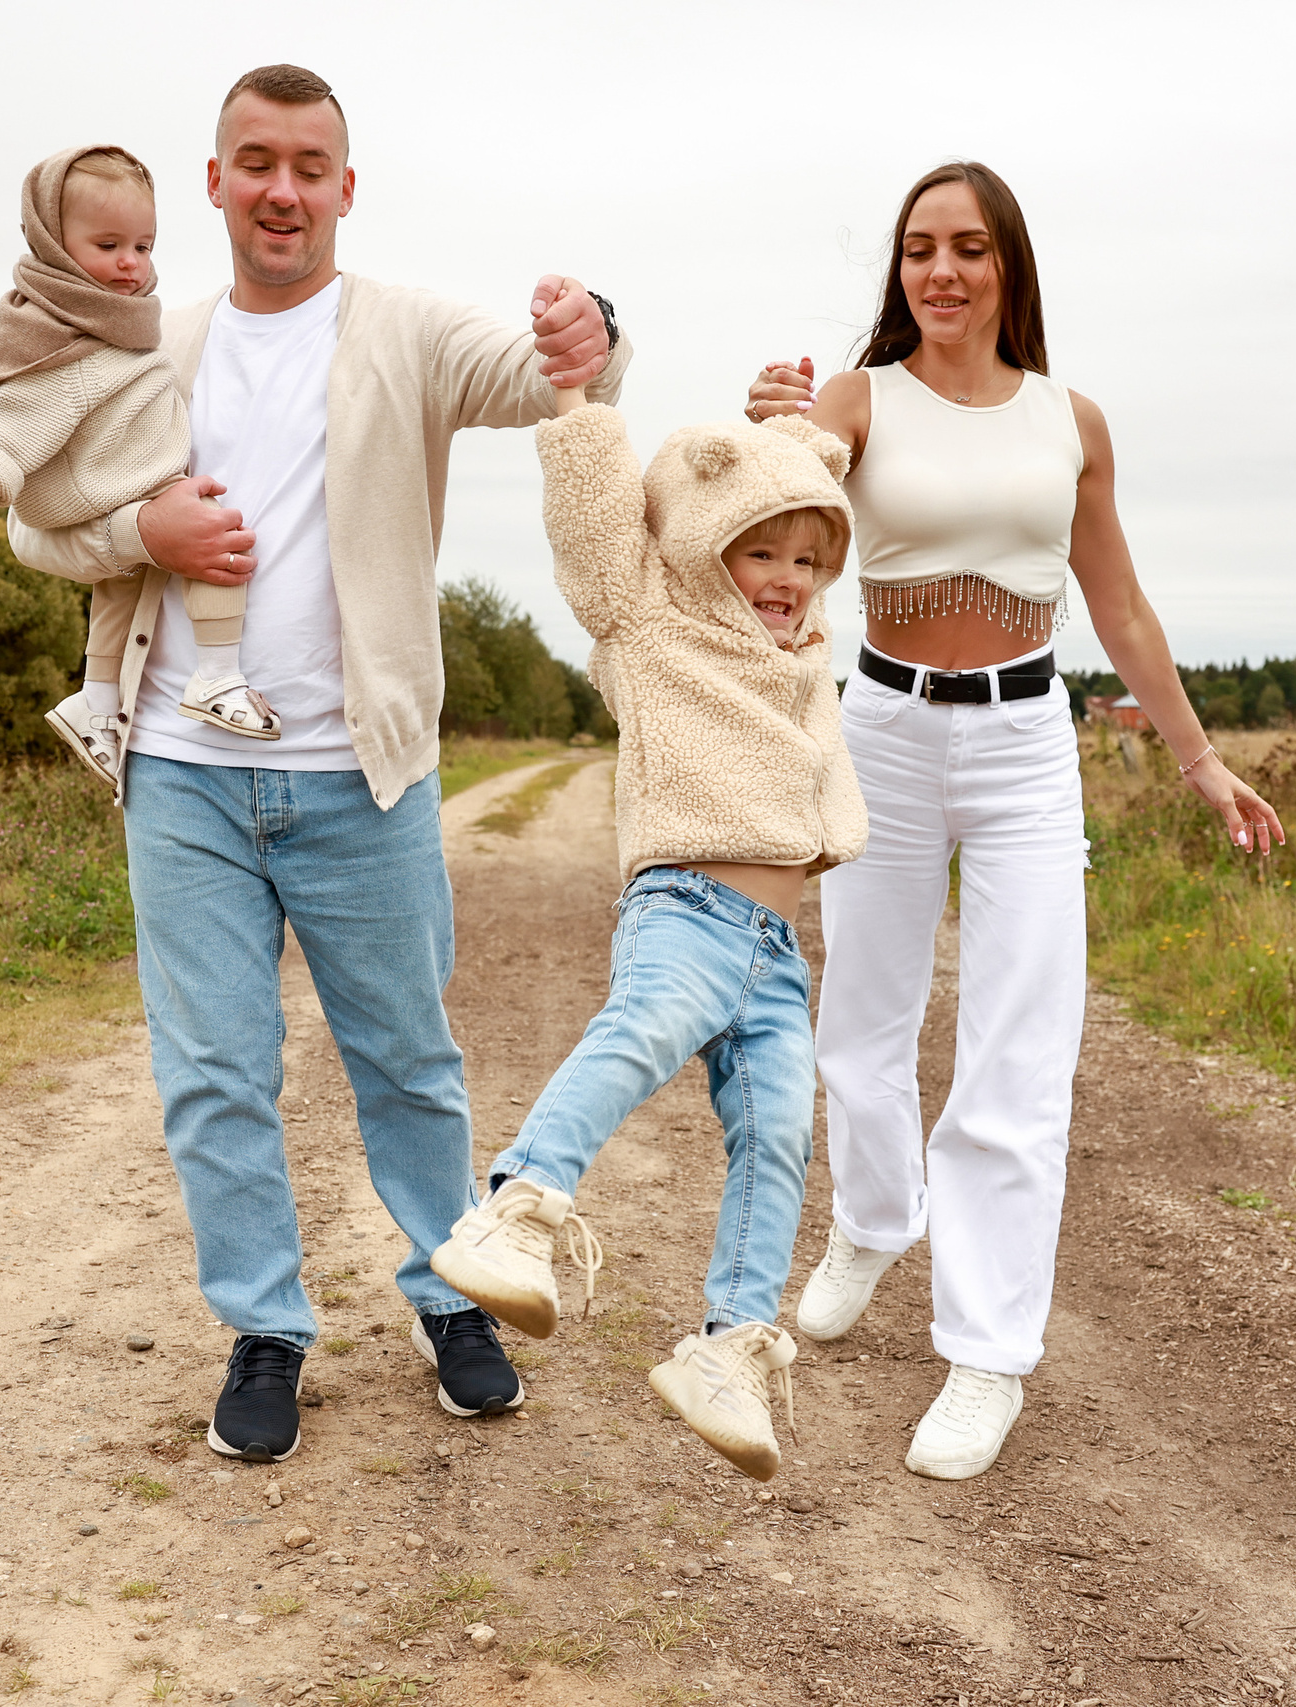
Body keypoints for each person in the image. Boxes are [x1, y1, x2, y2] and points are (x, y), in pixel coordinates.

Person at [6, 64, 629, 1462]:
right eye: (254, 161)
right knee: (216, 1071)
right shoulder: (137, 347)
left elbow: (549, 380)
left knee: (407, 1058)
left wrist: (593, 327)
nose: (282, 188)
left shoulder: (405, 330)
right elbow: (34, 523)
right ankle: (265, 1328)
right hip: (180, 769)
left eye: (309, 164)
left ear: (347, 187)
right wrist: (142, 539)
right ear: (216, 180)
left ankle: (445, 1292)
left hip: (367, 772)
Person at [745, 162, 1286, 1481]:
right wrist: (767, 433)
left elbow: (1124, 605)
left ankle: (987, 1350)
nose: (942, 271)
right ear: (901, 270)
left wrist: (1198, 756)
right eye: (920, 248)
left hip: (1026, 738)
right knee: (862, 1022)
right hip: (880, 725)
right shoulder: (859, 400)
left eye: (968, 248)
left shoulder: (1072, 421)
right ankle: (874, 1220)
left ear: (1006, 267)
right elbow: (773, 525)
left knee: (1019, 1046)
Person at [429, 387, 866, 1482]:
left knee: (779, 1136)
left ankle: (728, 1347)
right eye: (758, 552)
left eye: (806, 561)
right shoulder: (651, 620)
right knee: (643, 1027)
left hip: (773, 950)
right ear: (702, 551)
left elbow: (817, 467)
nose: (784, 579)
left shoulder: (800, 654)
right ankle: (516, 1206)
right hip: (688, 907)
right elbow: (596, 530)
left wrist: (794, 430)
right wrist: (580, 405)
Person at [0, 146, 280, 782]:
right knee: (214, 536)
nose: (131, 264)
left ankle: (97, 700)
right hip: (106, 482)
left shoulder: (117, 325)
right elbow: (15, 412)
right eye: (108, 246)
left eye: (144, 246)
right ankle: (217, 674)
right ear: (53, 242)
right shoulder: (55, 338)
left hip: (123, 484)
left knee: (124, 582)